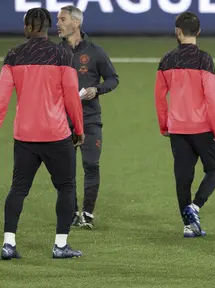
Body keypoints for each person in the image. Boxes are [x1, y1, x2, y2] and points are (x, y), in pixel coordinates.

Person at [0, 7, 85, 260]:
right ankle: (60, 245)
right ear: (47, 27)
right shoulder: (62, 54)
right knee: (66, 188)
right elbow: (72, 96)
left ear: (27, 27)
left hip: (25, 136)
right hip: (57, 135)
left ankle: (8, 243)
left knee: (18, 188)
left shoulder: (13, 56)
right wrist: (78, 129)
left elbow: (2, 100)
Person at [155, 12, 215, 238]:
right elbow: (212, 98)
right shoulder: (205, 59)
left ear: (177, 31)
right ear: (199, 32)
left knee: (183, 177)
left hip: (177, 129)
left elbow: (159, 97)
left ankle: (187, 225)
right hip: (203, 128)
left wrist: (164, 125)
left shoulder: (166, 59)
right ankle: (195, 207)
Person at [57, 5, 119, 229]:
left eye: (62, 20)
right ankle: (72, 212)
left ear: (76, 22)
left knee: (91, 165)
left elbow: (113, 79)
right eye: (58, 20)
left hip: (90, 118)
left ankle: (88, 214)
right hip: (63, 120)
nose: (58, 24)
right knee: (66, 170)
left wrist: (97, 89)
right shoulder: (57, 53)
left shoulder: (95, 51)